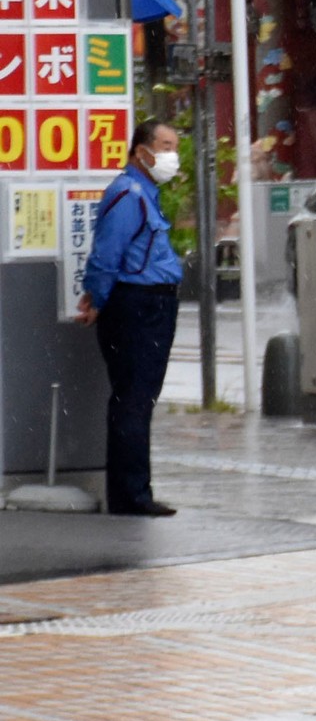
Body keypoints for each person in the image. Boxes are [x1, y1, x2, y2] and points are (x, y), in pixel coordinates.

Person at [75, 118, 183, 518]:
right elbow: (107, 255)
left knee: (137, 399)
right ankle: (132, 496)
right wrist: (97, 299)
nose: (172, 155)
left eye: (175, 146)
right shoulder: (129, 194)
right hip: (137, 307)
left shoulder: (144, 193)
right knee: (133, 400)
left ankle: (132, 492)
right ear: (142, 151)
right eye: (166, 146)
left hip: (148, 305)